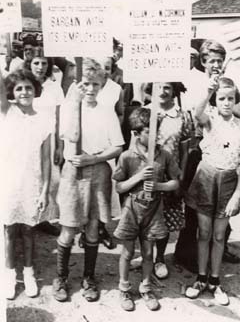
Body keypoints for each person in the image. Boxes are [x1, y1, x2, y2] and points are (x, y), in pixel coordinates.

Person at [52, 58, 124, 302]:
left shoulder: (106, 112)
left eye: (95, 84)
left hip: (97, 172)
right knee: (69, 228)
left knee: (93, 228)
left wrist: (93, 159)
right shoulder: (69, 106)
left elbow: (117, 146)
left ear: (102, 84)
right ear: (77, 84)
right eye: (85, 83)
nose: (91, 89)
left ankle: (88, 277)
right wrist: (74, 103)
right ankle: (61, 276)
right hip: (73, 172)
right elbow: (71, 135)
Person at [175, 40, 240, 271]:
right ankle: (187, 253)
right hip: (197, 147)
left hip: (222, 152)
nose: (216, 65)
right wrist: (209, 90)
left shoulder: (226, 82)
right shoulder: (194, 80)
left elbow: (239, 108)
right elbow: (194, 112)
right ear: (203, 61)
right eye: (212, 60)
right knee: (195, 206)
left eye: (219, 61)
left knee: (223, 204)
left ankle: (220, 246)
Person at [185, 77, 240, 305]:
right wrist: (207, 91)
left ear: (235, 100)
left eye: (230, 98)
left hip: (229, 182)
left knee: (219, 234)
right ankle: (201, 278)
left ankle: (215, 281)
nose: (226, 102)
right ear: (215, 100)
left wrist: (237, 195)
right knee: (203, 232)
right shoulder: (210, 119)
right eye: (221, 98)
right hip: (206, 178)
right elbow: (197, 112)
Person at [113, 107, 180, 311]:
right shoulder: (127, 156)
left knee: (148, 253)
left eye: (156, 130)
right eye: (149, 131)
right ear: (136, 133)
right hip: (131, 209)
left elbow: (175, 182)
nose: (155, 135)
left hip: (154, 210)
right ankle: (124, 287)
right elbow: (119, 186)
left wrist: (159, 186)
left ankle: (145, 286)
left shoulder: (165, 155)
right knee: (127, 252)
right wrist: (139, 177)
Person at [0, 67, 51, 300]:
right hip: (8, 181)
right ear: (11, 91)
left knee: (29, 230)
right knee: (9, 230)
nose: (24, 92)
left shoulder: (44, 120)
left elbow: (46, 160)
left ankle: (29, 273)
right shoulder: (7, 112)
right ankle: (10, 274)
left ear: (35, 89)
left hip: (32, 182)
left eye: (28, 87)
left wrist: (44, 190)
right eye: (19, 88)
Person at [142, 82, 192, 279]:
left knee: (165, 217)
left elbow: (185, 149)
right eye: (158, 87)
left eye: (167, 88)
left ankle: (160, 258)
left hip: (169, 175)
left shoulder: (182, 116)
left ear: (173, 91)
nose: (162, 92)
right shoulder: (144, 112)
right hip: (145, 174)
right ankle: (146, 256)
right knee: (144, 215)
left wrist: (181, 176)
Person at [24, 49, 64, 235]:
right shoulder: (23, 85)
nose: (40, 67)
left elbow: (59, 116)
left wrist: (60, 146)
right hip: (28, 138)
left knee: (51, 179)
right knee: (28, 178)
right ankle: (25, 220)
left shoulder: (54, 86)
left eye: (44, 63)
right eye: (36, 63)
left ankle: (44, 219)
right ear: (29, 64)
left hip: (50, 139)